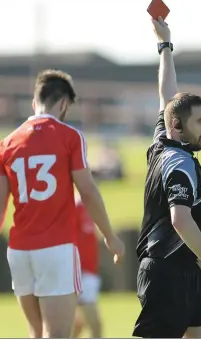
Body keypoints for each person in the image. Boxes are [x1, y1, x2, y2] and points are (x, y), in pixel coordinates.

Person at [0, 69, 125, 338]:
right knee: (57, 334)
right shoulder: (70, 136)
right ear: (64, 104)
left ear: (34, 103)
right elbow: (88, 191)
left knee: (36, 333)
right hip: (56, 249)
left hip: (19, 251)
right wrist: (110, 236)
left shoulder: (6, 143)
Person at [132, 17, 201, 339]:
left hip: (185, 269)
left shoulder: (164, 138)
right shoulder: (178, 162)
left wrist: (165, 46)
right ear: (178, 126)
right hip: (165, 271)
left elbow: (166, 94)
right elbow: (180, 220)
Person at [73, 194, 102, 338]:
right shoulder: (75, 206)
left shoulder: (91, 206)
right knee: (95, 325)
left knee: (76, 327)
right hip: (80, 274)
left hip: (90, 271)